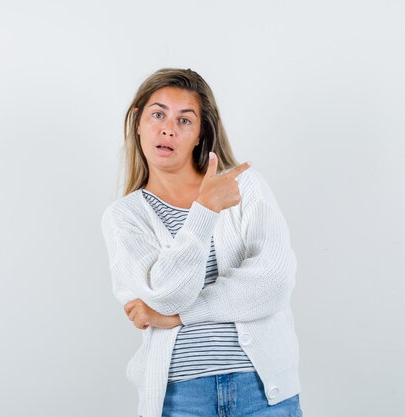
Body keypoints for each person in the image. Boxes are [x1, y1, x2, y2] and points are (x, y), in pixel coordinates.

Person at [101, 68, 302, 417]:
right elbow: (165, 294)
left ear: (199, 134)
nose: (168, 129)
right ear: (137, 121)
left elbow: (274, 281)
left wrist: (179, 316)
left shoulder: (244, 186)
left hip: (261, 390)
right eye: (158, 114)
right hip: (181, 399)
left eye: (185, 120)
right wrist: (204, 210)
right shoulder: (124, 217)